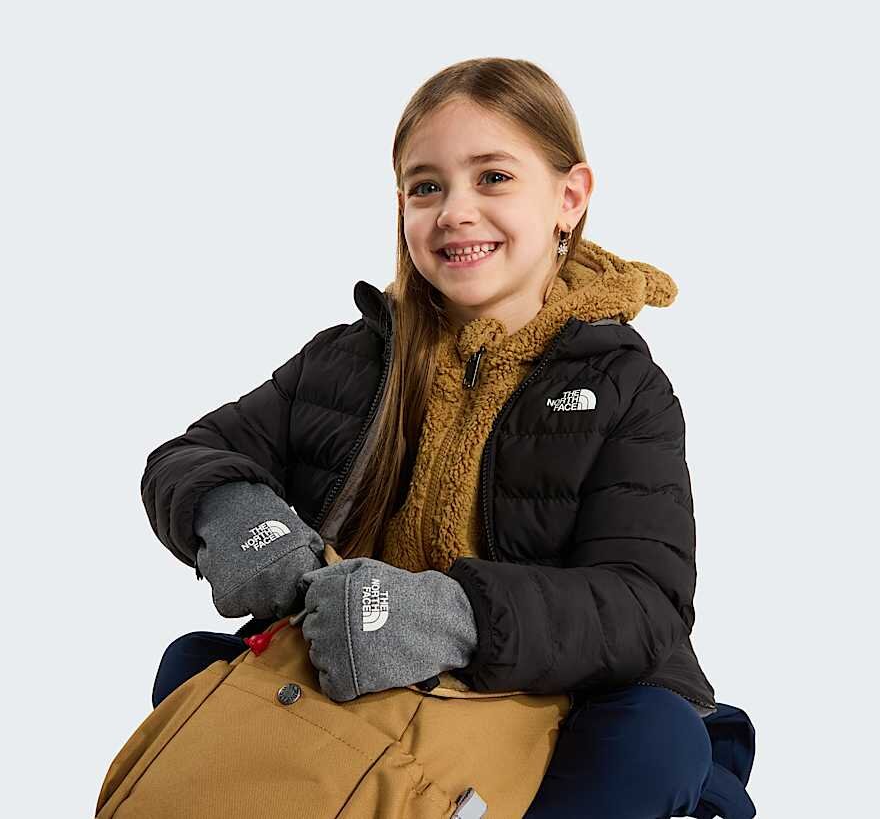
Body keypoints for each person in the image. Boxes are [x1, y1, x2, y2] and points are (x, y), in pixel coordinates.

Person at [142, 57, 756, 818]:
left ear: (569, 198)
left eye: (493, 178)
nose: (456, 211)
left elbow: (643, 602)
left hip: (547, 698)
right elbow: (190, 457)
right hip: (364, 678)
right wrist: (244, 523)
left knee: (657, 737)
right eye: (426, 187)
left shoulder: (623, 388)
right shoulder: (348, 359)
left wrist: (452, 616)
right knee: (195, 668)